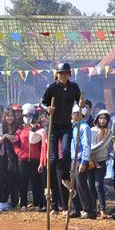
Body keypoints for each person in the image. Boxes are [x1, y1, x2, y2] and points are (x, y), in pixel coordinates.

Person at [41, 62, 82, 208]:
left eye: (65, 73)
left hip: (66, 125)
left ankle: (65, 176)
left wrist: (80, 103)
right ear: (57, 75)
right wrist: (48, 109)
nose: (63, 76)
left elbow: (79, 99)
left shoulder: (74, 87)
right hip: (52, 125)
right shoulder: (51, 88)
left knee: (65, 151)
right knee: (52, 158)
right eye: (61, 73)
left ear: (69, 74)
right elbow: (42, 103)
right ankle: (49, 187)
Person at [15, 104, 44, 211]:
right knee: (23, 182)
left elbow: (42, 145)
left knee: (36, 182)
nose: (28, 117)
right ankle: (23, 204)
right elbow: (15, 144)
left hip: (35, 160)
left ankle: (37, 204)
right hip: (23, 160)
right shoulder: (19, 129)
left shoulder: (39, 129)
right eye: (25, 115)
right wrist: (19, 153)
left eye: (30, 115)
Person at [69, 105, 95, 219]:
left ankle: (89, 210)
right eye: (73, 113)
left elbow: (86, 145)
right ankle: (76, 208)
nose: (73, 115)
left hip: (80, 159)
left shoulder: (84, 127)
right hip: (73, 159)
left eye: (76, 113)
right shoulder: (74, 127)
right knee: (72, 185)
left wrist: (84, 162)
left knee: (81, 185)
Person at [89, 110, 114, 218]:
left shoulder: (109, 132)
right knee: (91, 186)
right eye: (100, 118)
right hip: (90, 161)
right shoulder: (91, 130)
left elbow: (102, 145)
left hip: (101, 161)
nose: (102, 121)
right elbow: (88, 142)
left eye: (105, 119)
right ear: (97, 119)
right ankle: (94, 209)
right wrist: (89, 153)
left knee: (98, 185)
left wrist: (88, 150)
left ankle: (103, 209)